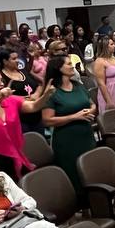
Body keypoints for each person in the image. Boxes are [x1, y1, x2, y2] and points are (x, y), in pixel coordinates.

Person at [0, 68, 54, 179]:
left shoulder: (12, 100)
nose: (1, 83)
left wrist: (46, 95)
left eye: (1, 80)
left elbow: (33, 106)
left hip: (16, 153)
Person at [41, 55, 97, 195]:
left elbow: (92, 104)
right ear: (58, 68)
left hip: (86, 135)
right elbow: (47, 120)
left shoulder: (78, 85)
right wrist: (74, 117)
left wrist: (90, 110)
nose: (72, 66)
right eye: (68, 64)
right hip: (67, 140)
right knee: (75, 176)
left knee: (91, 171)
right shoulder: (52, 92)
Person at [91, 35, 115, 113]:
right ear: (105, 47)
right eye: (111, 44)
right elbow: (101, 83)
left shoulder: (114, 58)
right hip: (109, 92)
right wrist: (108, 101)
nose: (114, 46)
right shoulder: (99, 61)